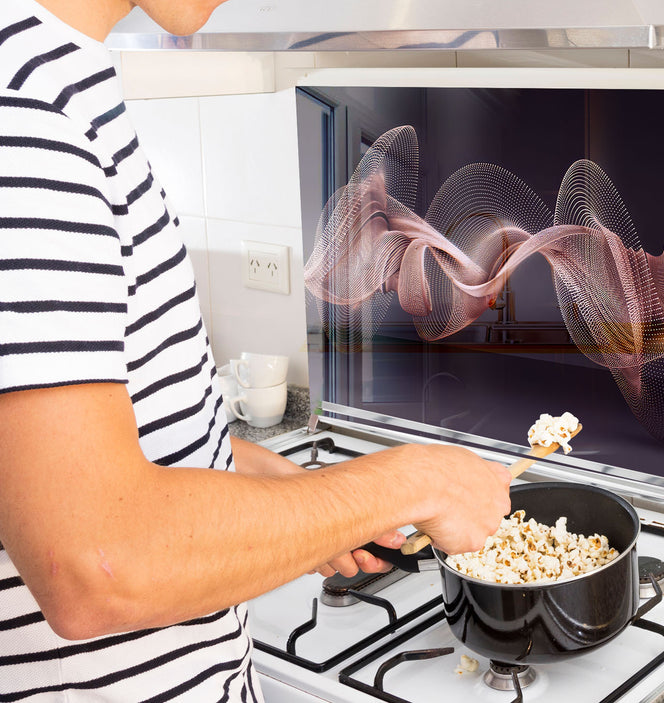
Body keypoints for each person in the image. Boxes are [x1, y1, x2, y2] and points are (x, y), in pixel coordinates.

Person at [0, 0, 513, 699]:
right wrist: (415, 480)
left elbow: (77, 453)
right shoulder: (24, 118)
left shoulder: (55, 80)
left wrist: (296, 497)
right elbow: (95, 563)